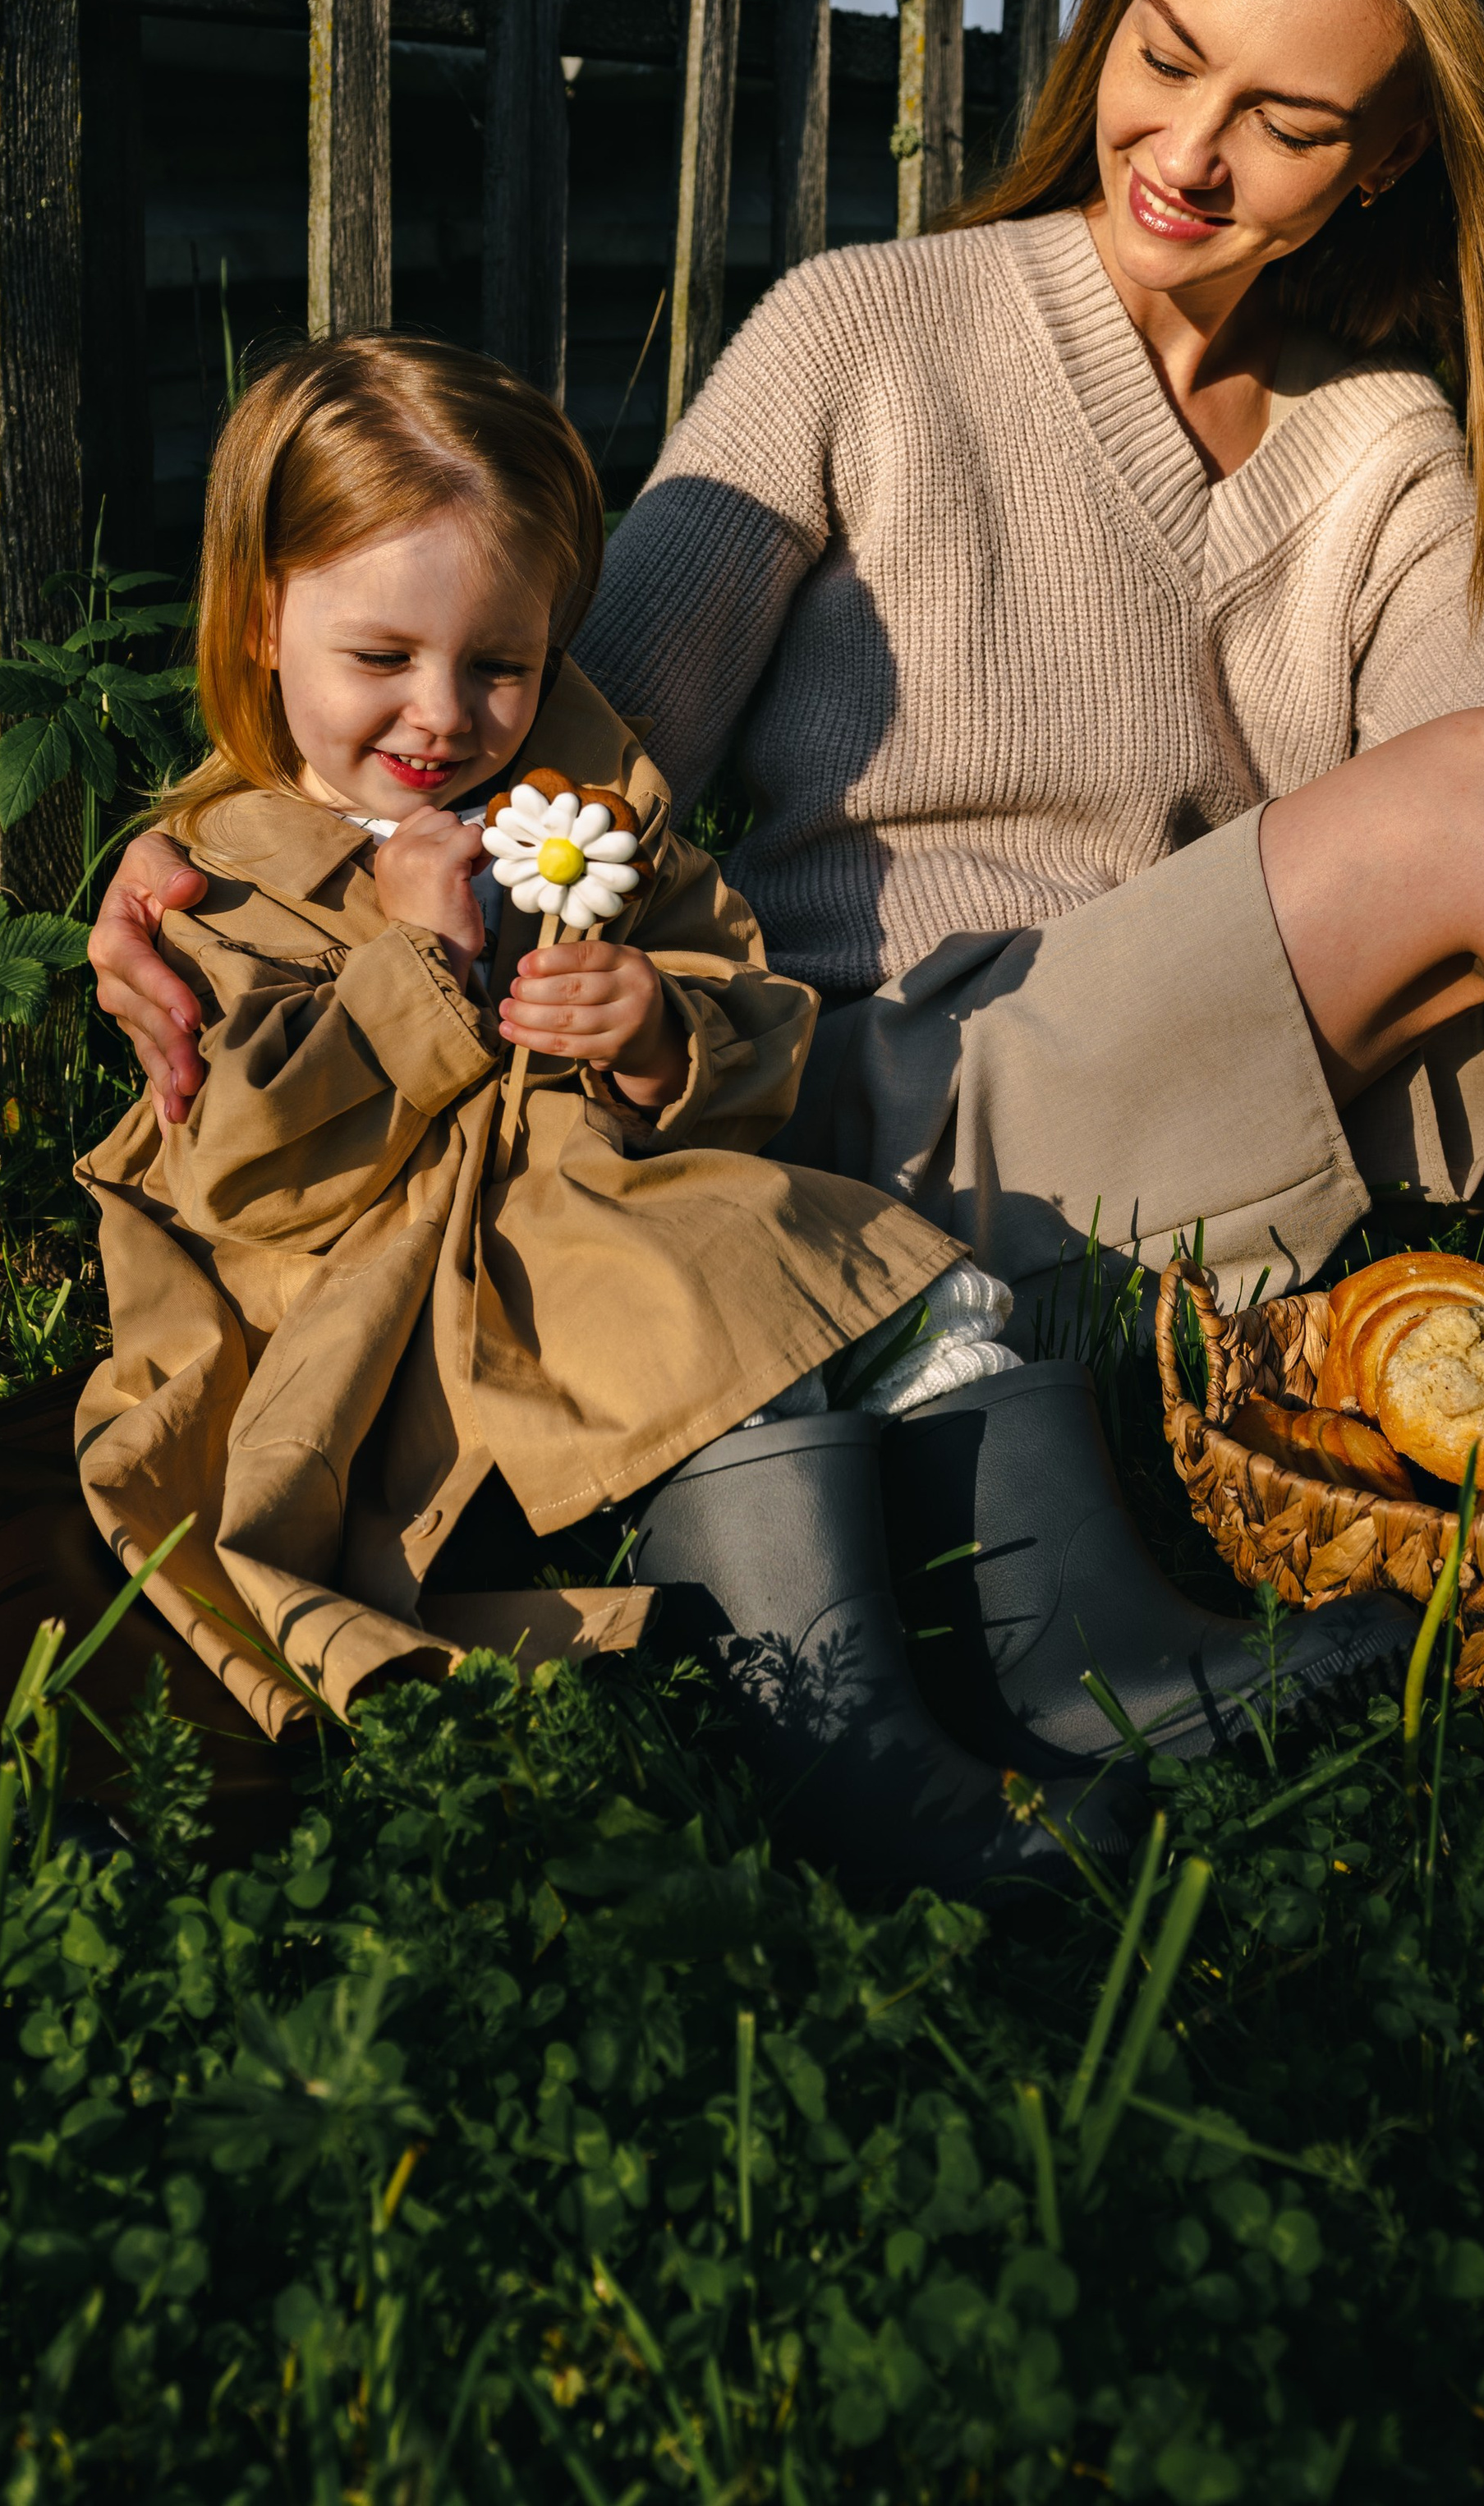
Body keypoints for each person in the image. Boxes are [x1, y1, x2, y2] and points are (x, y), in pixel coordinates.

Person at [95, 0, 1484, 1734]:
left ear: (1389, 156)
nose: (1186, 154)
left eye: (1286, 121)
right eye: (1164, 57)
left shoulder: (1376, 455)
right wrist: (218, 851)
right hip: (859, 1117)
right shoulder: (863, 335)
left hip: (1158, 1132)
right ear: (1107, 19)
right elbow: (524, 738)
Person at [71, 336, 1407, 1899]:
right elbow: (244, 1169)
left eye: (499, 664)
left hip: (623, 1222)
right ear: (260, 623)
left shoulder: (577, 811)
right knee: (706, 1322)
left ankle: (1086, 1657)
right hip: (426, 1315)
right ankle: (856, 1751)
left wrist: (660, 1033)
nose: (443, 714)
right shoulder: (222, 885)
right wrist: (411, 965)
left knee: (916, 1299)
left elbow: (748, 1005)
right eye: (381, 657)